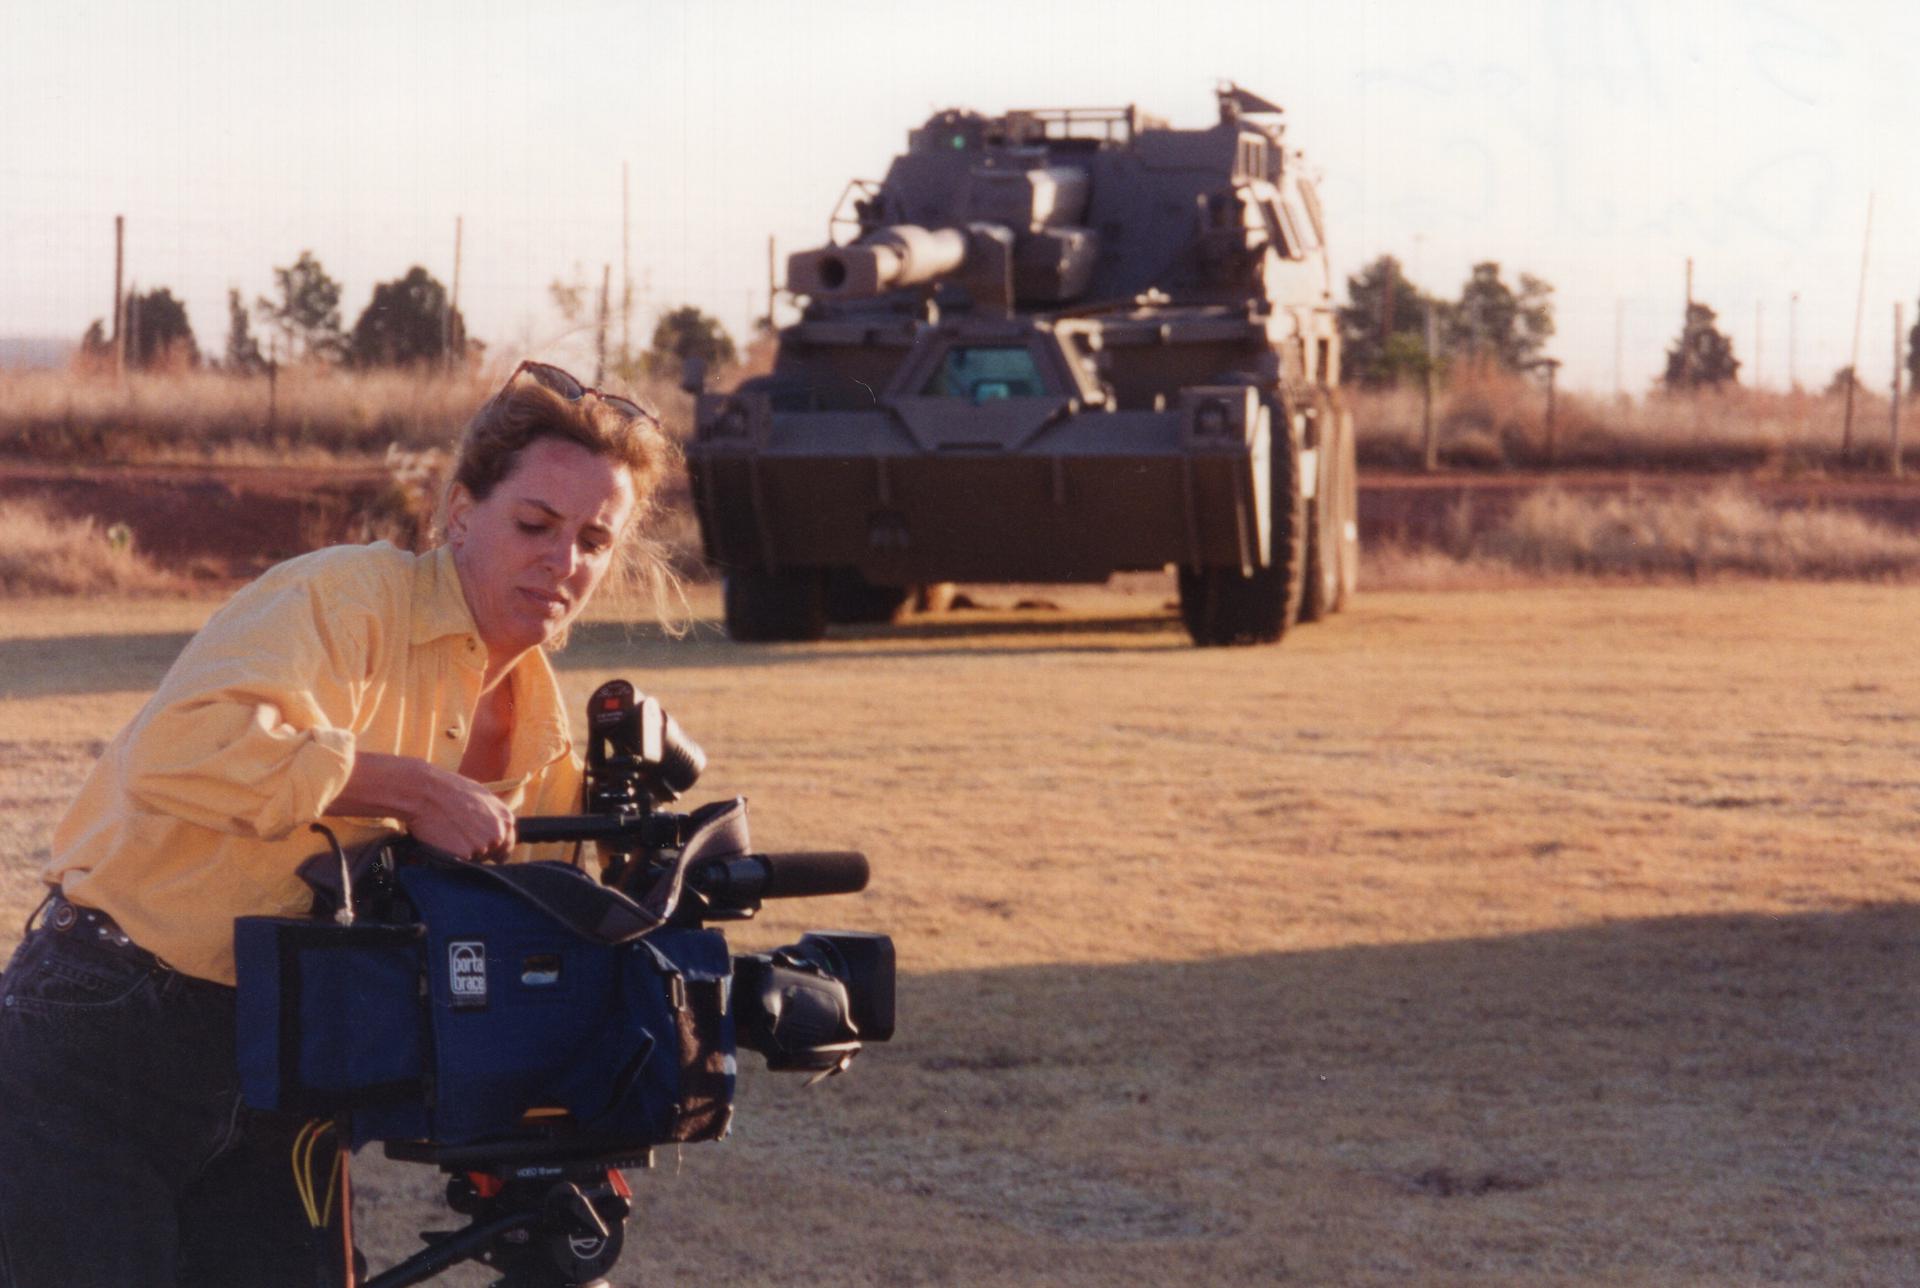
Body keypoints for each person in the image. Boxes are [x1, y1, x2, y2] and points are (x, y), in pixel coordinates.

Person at [0, 360, 674, 1287]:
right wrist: (405, 787)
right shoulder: (346, 598)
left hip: (297, 1055)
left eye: (595, 540)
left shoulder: (547, 733)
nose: (564, 563)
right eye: (535, 525)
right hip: (113, 1024)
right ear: (460, 511)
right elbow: (179, 748)